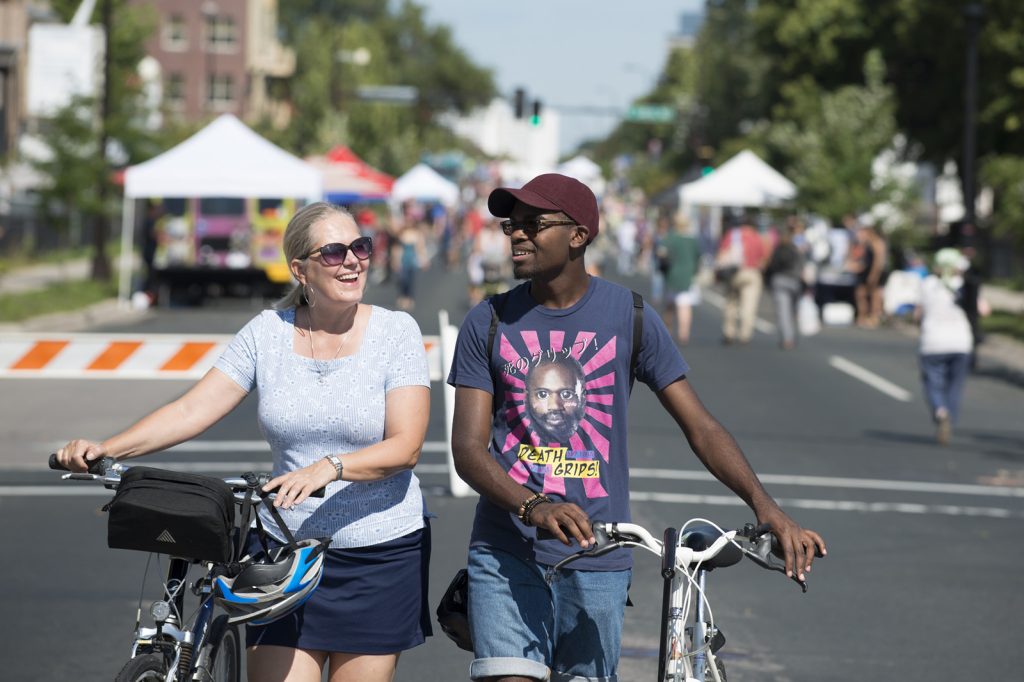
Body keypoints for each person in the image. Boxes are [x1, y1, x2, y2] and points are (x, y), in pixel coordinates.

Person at [446, 173, 826, 682]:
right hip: (505, 551)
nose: (517, 234)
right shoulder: (488, 320)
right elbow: (468, 450)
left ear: (578, 235)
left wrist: (766, 506)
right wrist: (533, 506)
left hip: (598, 557)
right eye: (511, 225)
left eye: (533, 224)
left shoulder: (629, 316)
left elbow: (702, 428)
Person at [54, 202, 433, 682]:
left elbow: (406, 447)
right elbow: (192, 409)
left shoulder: (396, 332)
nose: (354, 260)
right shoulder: (266, 334)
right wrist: (107, 448)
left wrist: (329, 467)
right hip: (282, 553)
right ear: (301, 270)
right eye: (335, 252)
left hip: (378, 553)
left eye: (360, 247)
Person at [915, 247, 988, 445]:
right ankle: (950, 418)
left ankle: (940, 411)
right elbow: (983, 310)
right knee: (955, 386)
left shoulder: (928, 284)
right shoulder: (965, 285)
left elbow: (918, 313)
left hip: (932, 342)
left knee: (932, 383)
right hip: (961, 342)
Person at [715, 215, 768, 344]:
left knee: (731, 303)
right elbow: (763, 259)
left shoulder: (733, 235)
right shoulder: (758, 237)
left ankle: (729, 332)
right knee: (749, 305)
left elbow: (722, 253)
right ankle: (745, 334)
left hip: (734, 272)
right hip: (752, 272)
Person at [659, 216, 702, 345]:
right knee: (685, 305)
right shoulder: (693, 240)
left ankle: (667, 330)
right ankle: (684, 333)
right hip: (688, 275)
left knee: (670, 305)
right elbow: (698, 257)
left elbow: (661, 252)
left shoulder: (671, 238)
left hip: (673, 274)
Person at [765, 224, 807, 350]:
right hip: (794, 282)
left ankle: (787, 338)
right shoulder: (796, 250)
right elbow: (802, 267)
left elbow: (771, 267)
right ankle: (791, 335)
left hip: (780, 280)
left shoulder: (777, 250)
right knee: (792, 311)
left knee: (783, 312)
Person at [850, 224, 888, 328]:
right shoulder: (866, 243)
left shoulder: (877, 243)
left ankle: (874, 317)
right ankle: (862, 316)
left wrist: (873, 275)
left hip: (874, 272)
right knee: (860, 294)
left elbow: (878, 262)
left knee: (875, 295)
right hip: (865, 271)